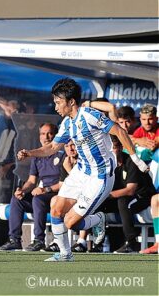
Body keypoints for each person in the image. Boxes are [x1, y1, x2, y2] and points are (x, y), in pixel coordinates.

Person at [17, 78, 149, 262]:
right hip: (81, 172)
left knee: (70, 222)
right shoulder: (67, 123)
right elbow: (53, 147)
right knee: (56, 207)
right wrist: (30, 153)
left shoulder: (89, 115)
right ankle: (65, 254)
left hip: (100, 176)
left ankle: (98, 219)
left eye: (58, 102)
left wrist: (135, 158)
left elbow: (119, 131)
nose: (55, 107)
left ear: (71, 102)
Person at [0, 123, 63, 251]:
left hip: (58, 195)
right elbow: (32, 181)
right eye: (43, 134)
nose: (46, 137)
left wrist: (45, 190)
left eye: (49, 133)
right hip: (42, 195)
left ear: (55, 135)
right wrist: (22, 190)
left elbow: (64, 183)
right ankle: (14, 240)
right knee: (17, 200)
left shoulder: (62, 155)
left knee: (38, 199)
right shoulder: (37, 157)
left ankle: (39, 240)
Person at [94, 135, 156, 253]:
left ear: (121, 148)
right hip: (123, 197)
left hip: (143, 196)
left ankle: (131, 243)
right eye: (108, 148)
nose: (111, 151)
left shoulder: (131, 162)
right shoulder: (107, 165)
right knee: (98, 205)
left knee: (123, 202)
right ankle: (98, 243)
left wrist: (106, 195)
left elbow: (130, 190)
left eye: (115, 147)